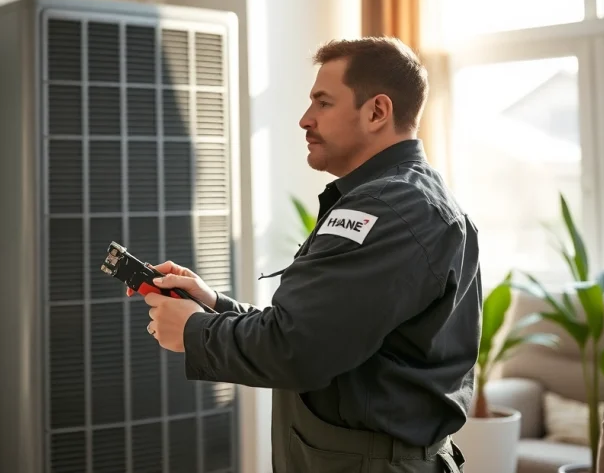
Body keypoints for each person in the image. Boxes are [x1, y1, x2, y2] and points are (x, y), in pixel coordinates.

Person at [144, 36, 480, 473]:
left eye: (323, 103)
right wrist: (214, 306)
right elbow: (321, 330)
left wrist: (195, 331)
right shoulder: (392, 199)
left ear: (377, 111)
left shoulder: (392, 208)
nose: (305, 119)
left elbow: (298, 350)